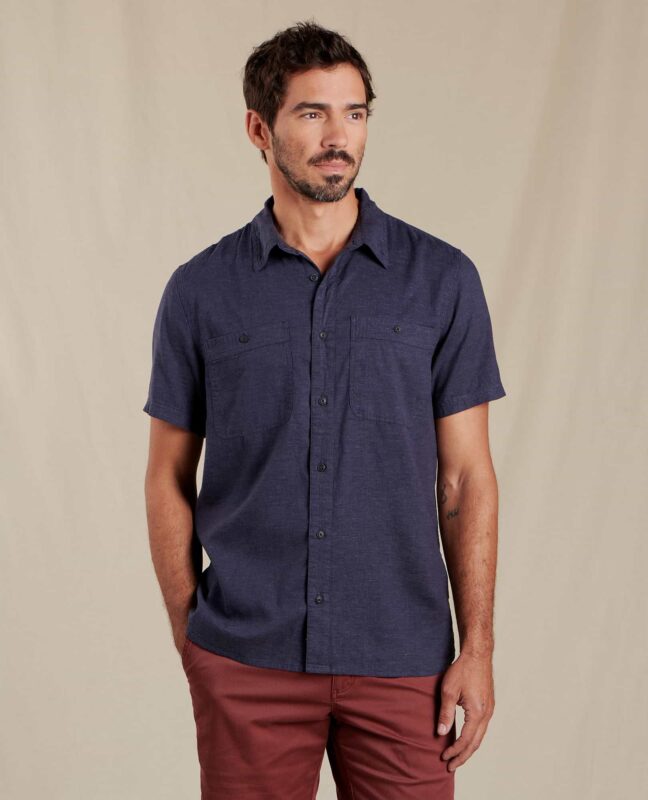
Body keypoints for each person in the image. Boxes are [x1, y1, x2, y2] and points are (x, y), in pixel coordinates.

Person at [143, 19, 506, 800]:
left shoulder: (442, 280)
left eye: (355, 113)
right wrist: (193, 637)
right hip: (246, 659)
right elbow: (167, 475)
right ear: (259, 129)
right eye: (312, 113)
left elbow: (465, 479)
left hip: (404, 658)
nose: (338, 137)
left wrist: (476, 648)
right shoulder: (200, 291)